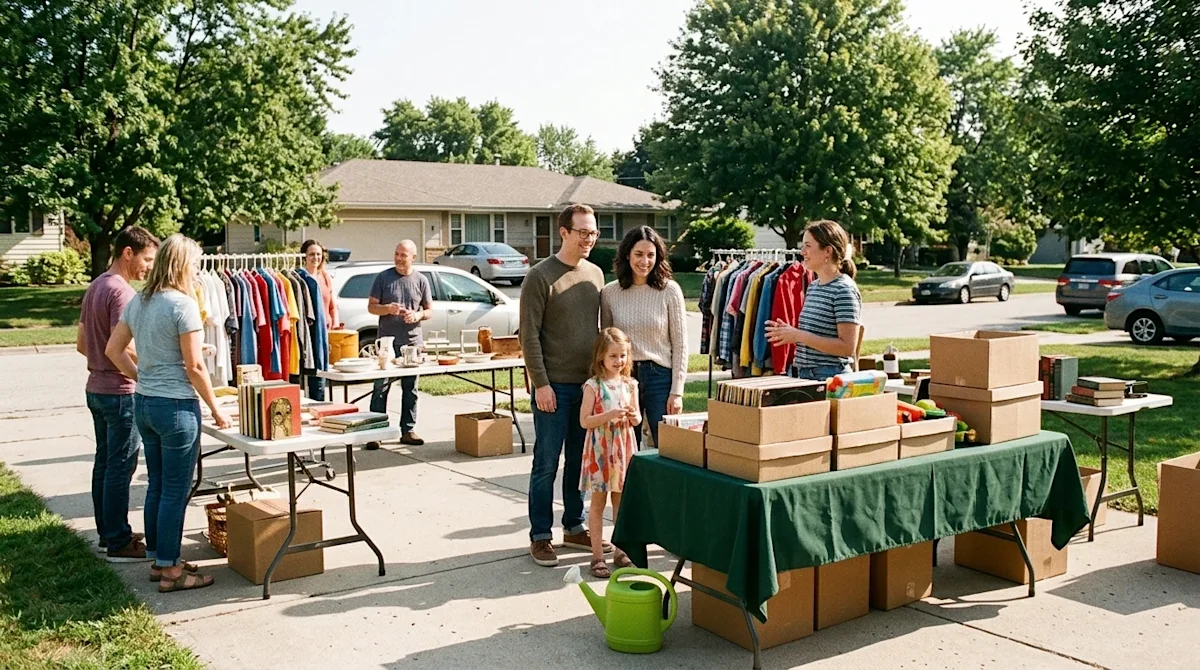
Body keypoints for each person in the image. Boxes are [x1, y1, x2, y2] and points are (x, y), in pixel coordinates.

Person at [106, 234, 231, 592]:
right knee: (175, 490)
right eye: (194, 264)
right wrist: (216, 408)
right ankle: (172, 571)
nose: (196, 271)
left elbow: (114, 350)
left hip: (144, 403)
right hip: (176, 406)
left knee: (158, 485)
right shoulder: (182, 304)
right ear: (180, 265)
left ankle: (161, 559)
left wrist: (143, 376)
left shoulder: (140, 300)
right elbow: (193, 366)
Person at [520, 203, 610, 567]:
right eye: (583, 232)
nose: (590, 239)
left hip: (588, 387)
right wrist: (541, 384)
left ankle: (573, 526)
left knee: (579, 462)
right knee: (546, 463)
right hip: (553, 388)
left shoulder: (595, 275)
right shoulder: (539, 276)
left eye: (594, 233)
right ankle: (540, 536)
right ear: (564, 232)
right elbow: (529, 336)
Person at [78, 225, 160, 561]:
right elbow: (118, 348)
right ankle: (117, 540)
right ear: (128, 252)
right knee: (120, 467)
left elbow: (83, 345)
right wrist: (142, 376)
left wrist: (107, 360)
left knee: (105, 464)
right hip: (119, 392)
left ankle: (107, 532)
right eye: (147, 259)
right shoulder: (123, 293)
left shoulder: (96, 286)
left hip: (96, 389)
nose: (149, 268)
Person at [600, 226, 687, 449]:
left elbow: (680, 345)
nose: (644, 261)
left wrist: (677, 391)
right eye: (639, 254)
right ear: (627, 254)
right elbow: (607, 342)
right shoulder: (610, 293)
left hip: (660, 377)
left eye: (651, 255)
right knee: (626, 447)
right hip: (624, 377)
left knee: (665, 447)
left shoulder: (670, 291)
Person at [765, 220, 863, 380]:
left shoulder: (844, 290)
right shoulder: (814, 286)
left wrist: (798, 335)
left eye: (808, 246)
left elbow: (847, 347)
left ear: (827, 251)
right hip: (804, 375)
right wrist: (787, 333)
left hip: (829, 378)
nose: (802, 251)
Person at [579, 328, 640, 577]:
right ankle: (597, 555)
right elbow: (585, 421)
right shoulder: (593, 386)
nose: (619, 361)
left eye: (623, 355)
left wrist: (634, 416)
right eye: (613, 356)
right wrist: (609, 415)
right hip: (600, 449)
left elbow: (636, 419)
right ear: (601, 357)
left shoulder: (630, 384)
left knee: (620, 501)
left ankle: (620, 549)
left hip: (623, 448)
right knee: (598, 502)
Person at [367, 240, 432, 447]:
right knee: (381, 387)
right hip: (387, 341)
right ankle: (375, 431)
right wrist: (387, 309)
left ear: (413, 257)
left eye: (403, 255)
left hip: (412, 342)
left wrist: (417, 315)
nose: (398, 258)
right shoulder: (383, 278)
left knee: (410, 389)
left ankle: (408, 429)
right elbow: (371, 307)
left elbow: (429, 310)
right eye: (396, 254)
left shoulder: (421, 280)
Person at [301, 239, 340, 401]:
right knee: (307, 370)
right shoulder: (300, 277)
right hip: (307, 330)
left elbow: (332, 305)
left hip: (323, 331)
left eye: (318, 254)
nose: (315, 258)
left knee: (320, 370)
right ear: (304, 256)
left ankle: (319, 403)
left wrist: (335, 325)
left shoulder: (325, 277)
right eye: (312, 254)